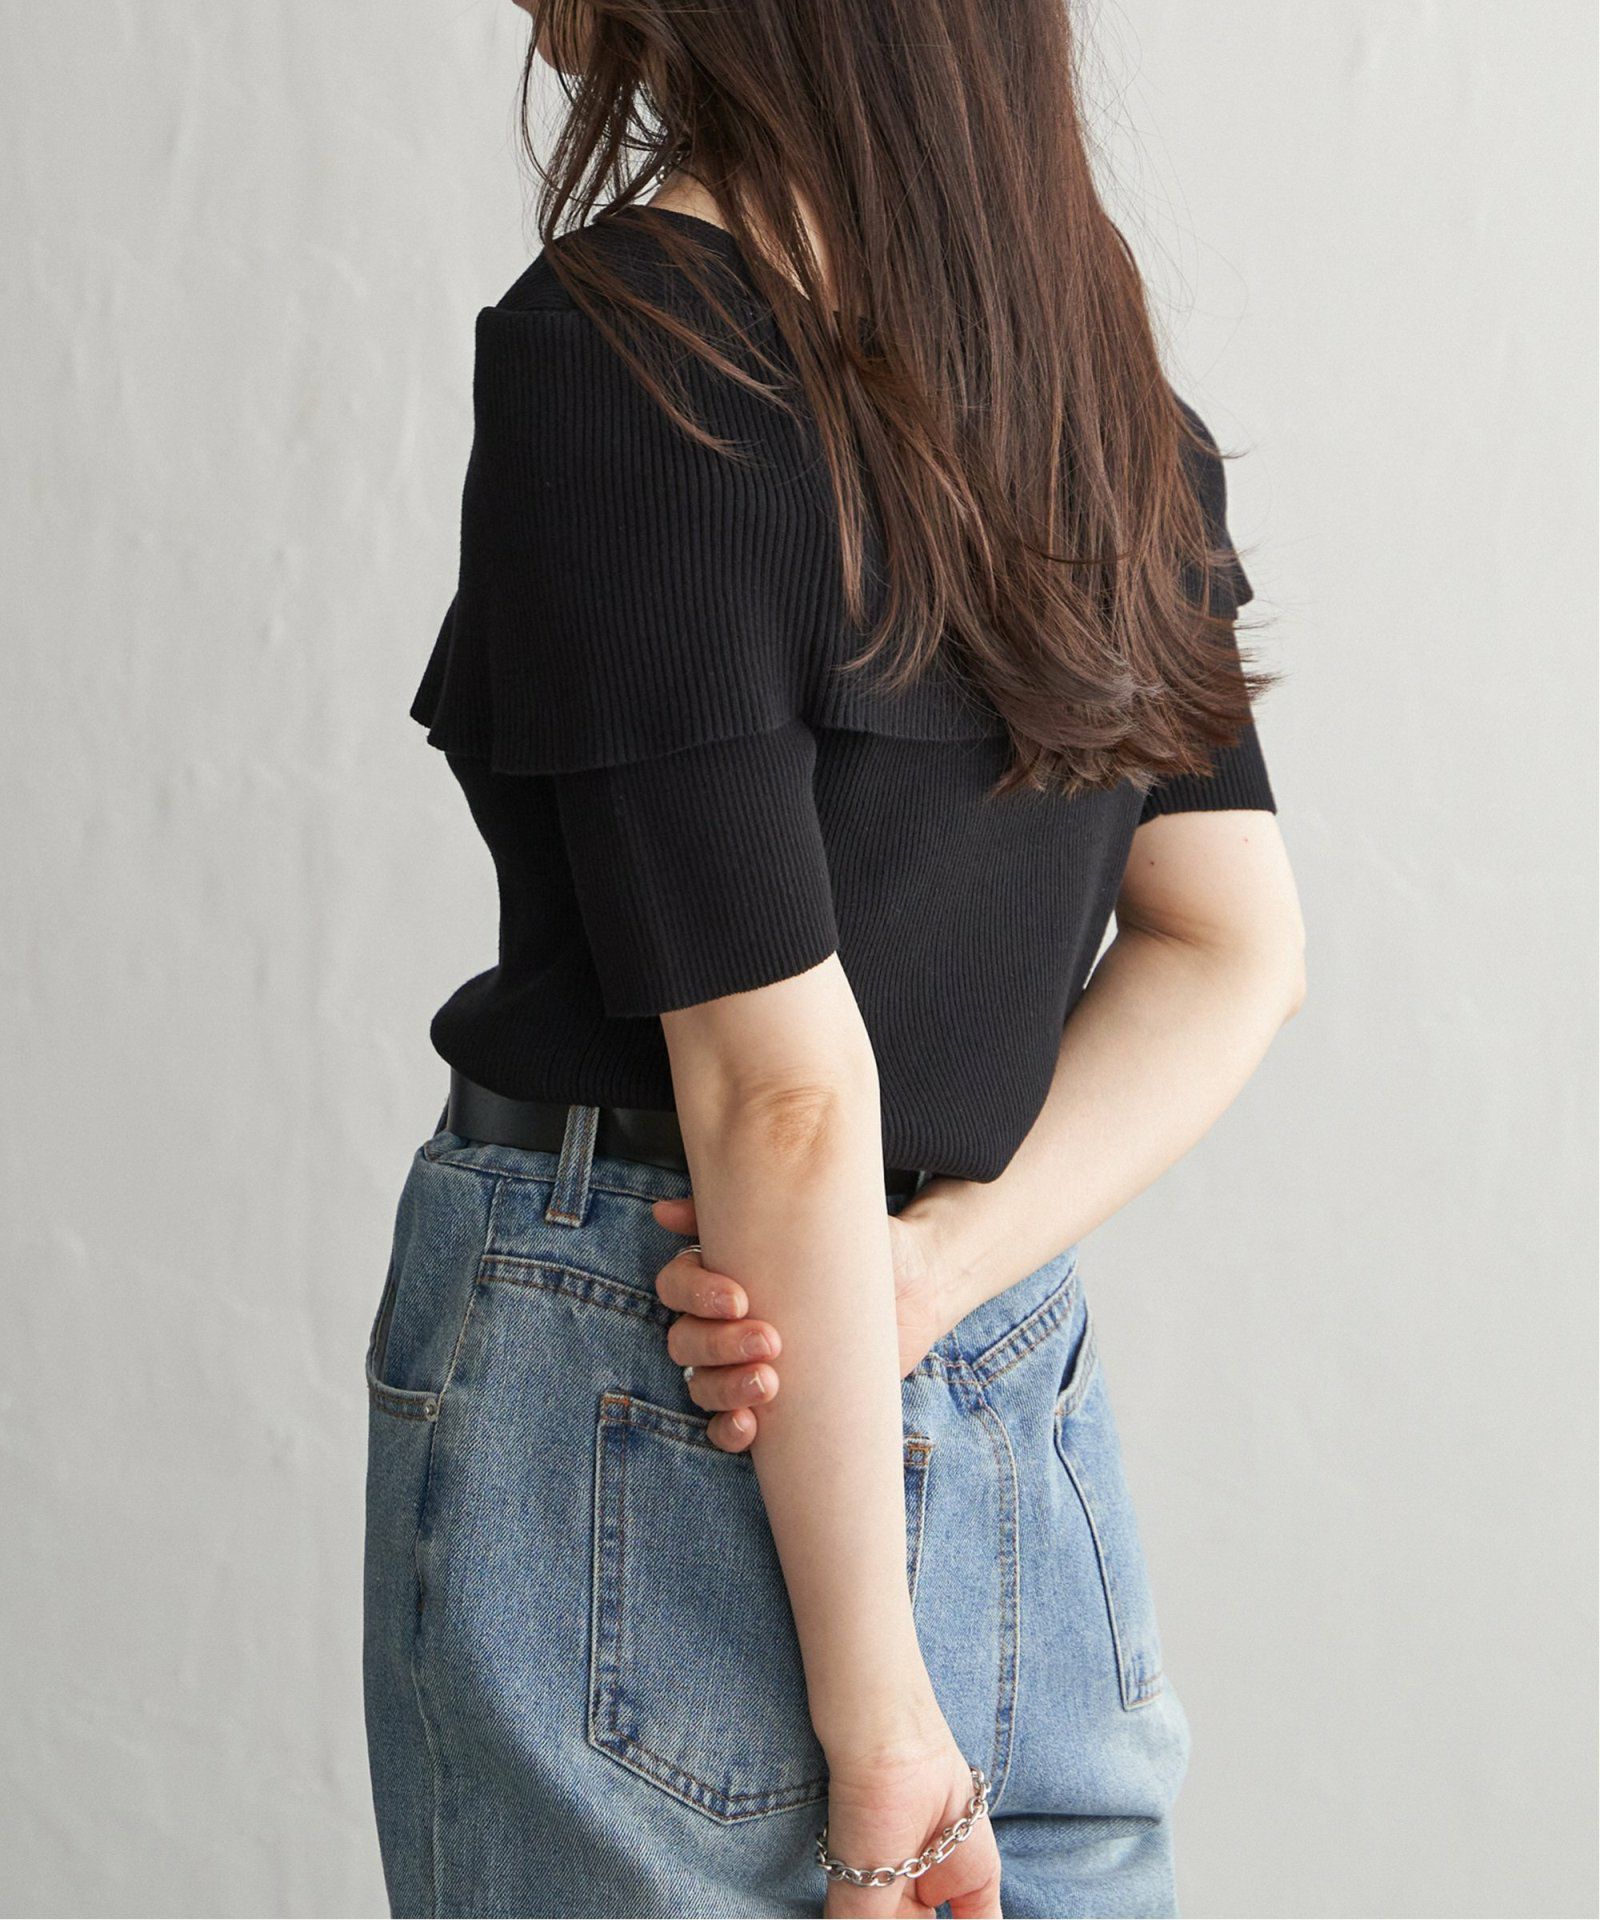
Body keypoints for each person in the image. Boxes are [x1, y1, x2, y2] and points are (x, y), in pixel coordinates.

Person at [361, 1, 1306, 1914]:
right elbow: (1235, 945)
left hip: (667, 1344)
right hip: (994, 1359)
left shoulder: (632, 349)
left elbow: (783, 1093)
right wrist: (935, 1270)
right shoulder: (1086, 377)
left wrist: (882, 1734)